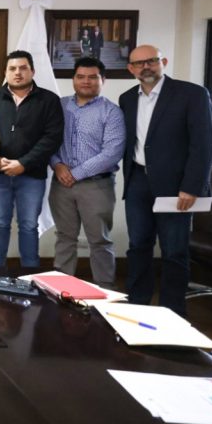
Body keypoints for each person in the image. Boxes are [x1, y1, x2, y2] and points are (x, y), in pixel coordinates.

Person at [120, 45, 212, 315]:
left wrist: (192, 186)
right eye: (138, 63)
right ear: (131, 69)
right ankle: (137, 306)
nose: (145, 67)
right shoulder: (127, 98)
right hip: (138, 182)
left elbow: (204, 144)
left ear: (163, 61)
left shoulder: (192, 94)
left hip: (177, 187)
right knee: (138, 246)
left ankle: (172, 313)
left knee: (174, 251)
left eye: (151, 61)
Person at [48, 57, 125, 288]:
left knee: (99, 241)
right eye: (80, 76)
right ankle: (61, 289)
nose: (86, 81)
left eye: (93, 77)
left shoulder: (112, 112)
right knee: (65, 238)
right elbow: (47, 140)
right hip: (61, 184)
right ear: (73, 79)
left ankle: (105, 290)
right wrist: (57, 165)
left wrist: (76, 173)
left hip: (96, 186)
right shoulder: (59, 106)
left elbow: (112, 152)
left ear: (103, 80)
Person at [0, 50, 64, 267]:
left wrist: (23, 163)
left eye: (23, 68)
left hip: (32, 175)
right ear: (5, 72)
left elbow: (52, 137)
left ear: (32, 71)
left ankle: (30, 276)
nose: (17, 73)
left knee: (29, 226)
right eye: (12, 68)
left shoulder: (49, 100)